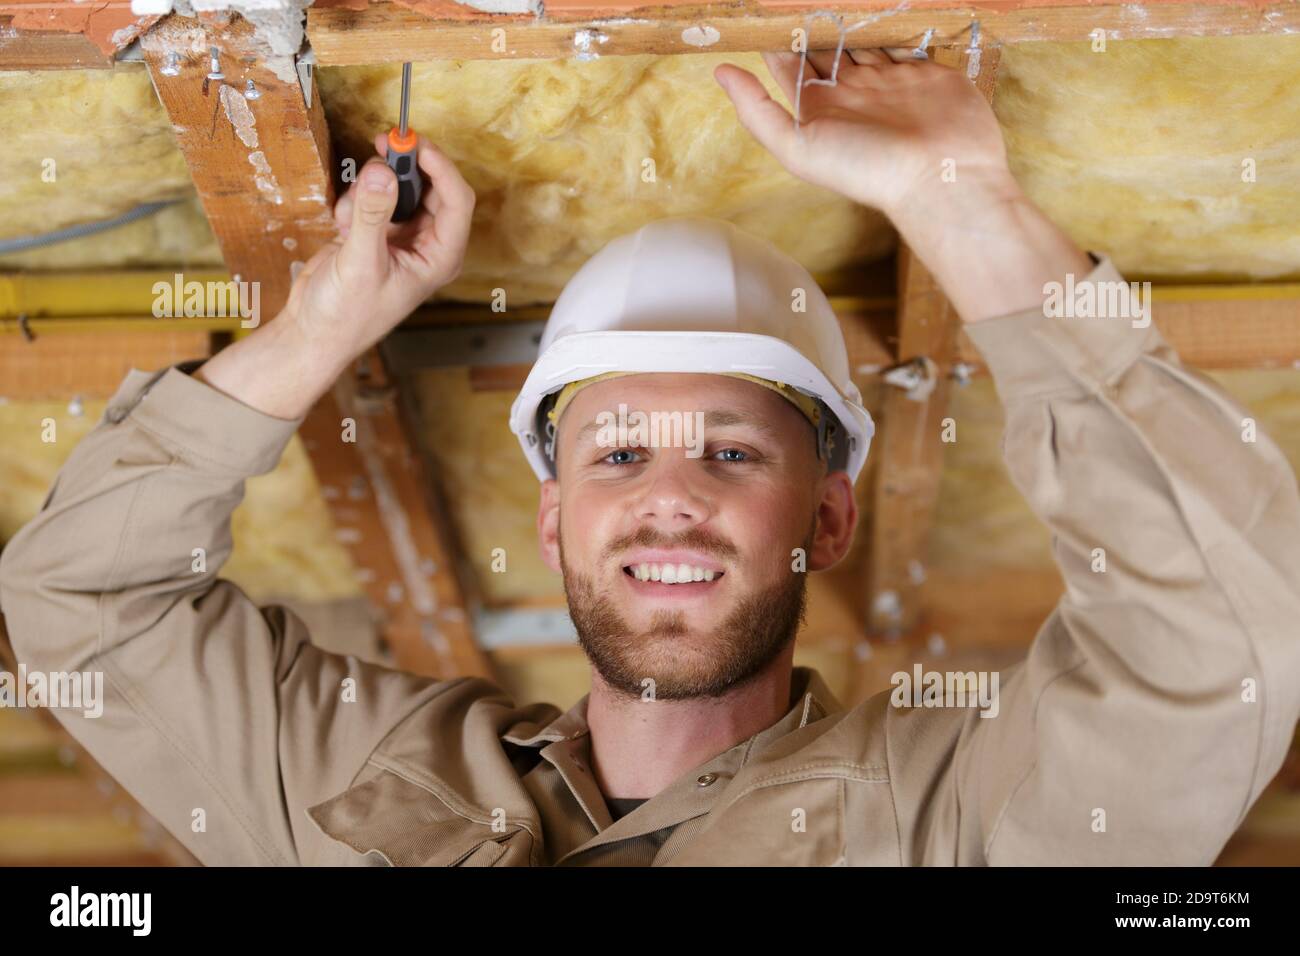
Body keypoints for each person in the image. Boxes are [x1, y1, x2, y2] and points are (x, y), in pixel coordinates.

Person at [2, 50, 1297, 866]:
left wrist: (967, 207)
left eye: (733, 452)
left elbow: (1224, 647)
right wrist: (320, 327)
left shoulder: (951, 824)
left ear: (831, 521)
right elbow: (77, 607)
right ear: (554, 518)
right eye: (617, 454)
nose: (670, 496)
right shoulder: (370, 785)